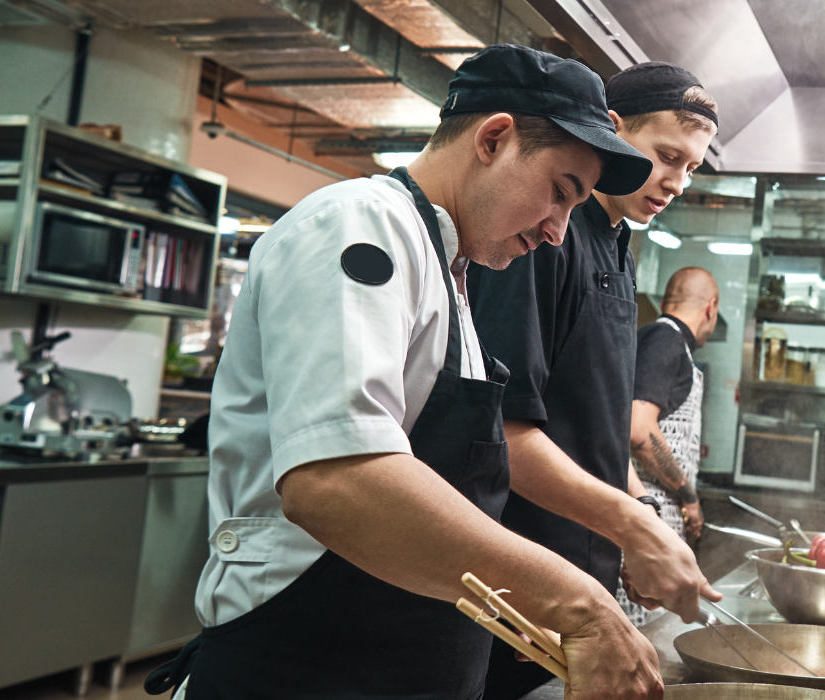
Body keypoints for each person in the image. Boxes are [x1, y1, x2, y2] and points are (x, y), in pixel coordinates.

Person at [144, 45, 665, 700]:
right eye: (560, 193)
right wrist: (573, 601)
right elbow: (339, 480)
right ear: (494, 139)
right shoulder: (360, 224)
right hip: (303, 670)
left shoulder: (451, 274)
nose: (559, 231)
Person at [467, 62, 721, 699]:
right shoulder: (541, 238)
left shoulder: (619, 247)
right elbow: (502, 431)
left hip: (582, 579)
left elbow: (597, 424)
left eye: (692, 167)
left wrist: (636, 523)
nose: (678, 182)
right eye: (668, 156)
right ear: (613, 131)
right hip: (520, 579)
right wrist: (633, 527)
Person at [621, 267, 719, 626]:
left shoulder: (661, 339)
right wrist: (688, 495)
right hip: (643, 520)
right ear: (710, 308)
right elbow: (638, 430)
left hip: (651, 526)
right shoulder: (666, 340)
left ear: (665, 301)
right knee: (636, 632)